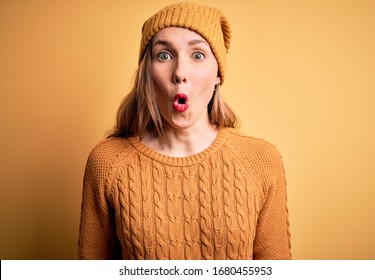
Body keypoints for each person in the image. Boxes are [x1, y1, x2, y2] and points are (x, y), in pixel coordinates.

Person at [78, 2, 291, 260]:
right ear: (147, 73)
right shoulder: (107, 163)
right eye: (164, 55)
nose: (180, 73)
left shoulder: (261, 161)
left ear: (218, 75)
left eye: (198, 55)